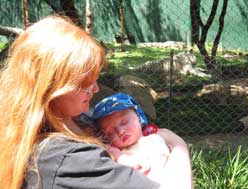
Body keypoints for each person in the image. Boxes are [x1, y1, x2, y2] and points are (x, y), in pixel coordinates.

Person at [0, 15, 193, 189]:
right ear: (51, 88)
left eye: (95, 79)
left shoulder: (78, 119)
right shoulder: (67, 158)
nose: (95, 89)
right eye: (85, 83)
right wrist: (178, 145)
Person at [92, 92, 171, 182]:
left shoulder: (153, 140)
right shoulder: (113, 152)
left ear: (138, 117)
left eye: (124, 122)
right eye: (110, 133)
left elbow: (159, 167)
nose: (120, 132)